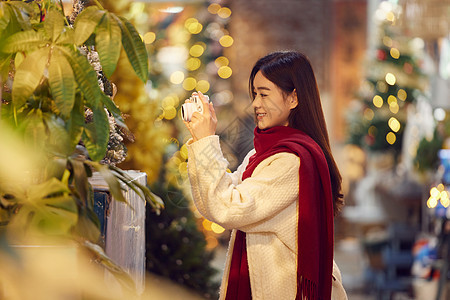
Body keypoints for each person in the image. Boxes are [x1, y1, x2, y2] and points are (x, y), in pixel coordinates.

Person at [183, 51, 347, 300]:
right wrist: (201, 139)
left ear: (293, 98)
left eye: (263, 94)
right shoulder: (261, 154)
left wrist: (206, 141)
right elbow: (221, 194)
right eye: (254, 94)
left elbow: (225, 207)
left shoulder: (291, 160)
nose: (255, 104)